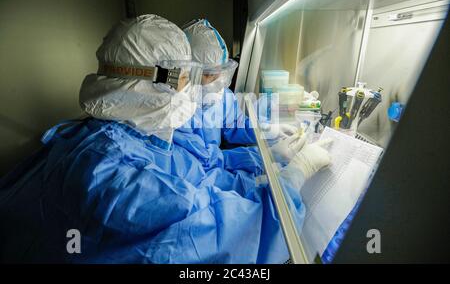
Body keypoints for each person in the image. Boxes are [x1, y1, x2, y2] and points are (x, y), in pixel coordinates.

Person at [0, 14, 332, 263]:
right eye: (185, 79)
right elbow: (207, 230)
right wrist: (288, 185)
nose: (192, 90)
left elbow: (196, 177)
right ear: (150, 83)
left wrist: (264, 163)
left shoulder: (136, 135)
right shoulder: (102, 172)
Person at [174, 19, 299, 171]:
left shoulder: (222, 96)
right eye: (209, 74)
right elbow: (202, 162)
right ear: (187, 72)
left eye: (221, 72)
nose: (218, 82)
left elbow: (235, 124)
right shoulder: (174, 112)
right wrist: (265, 156)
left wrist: (269, 130)